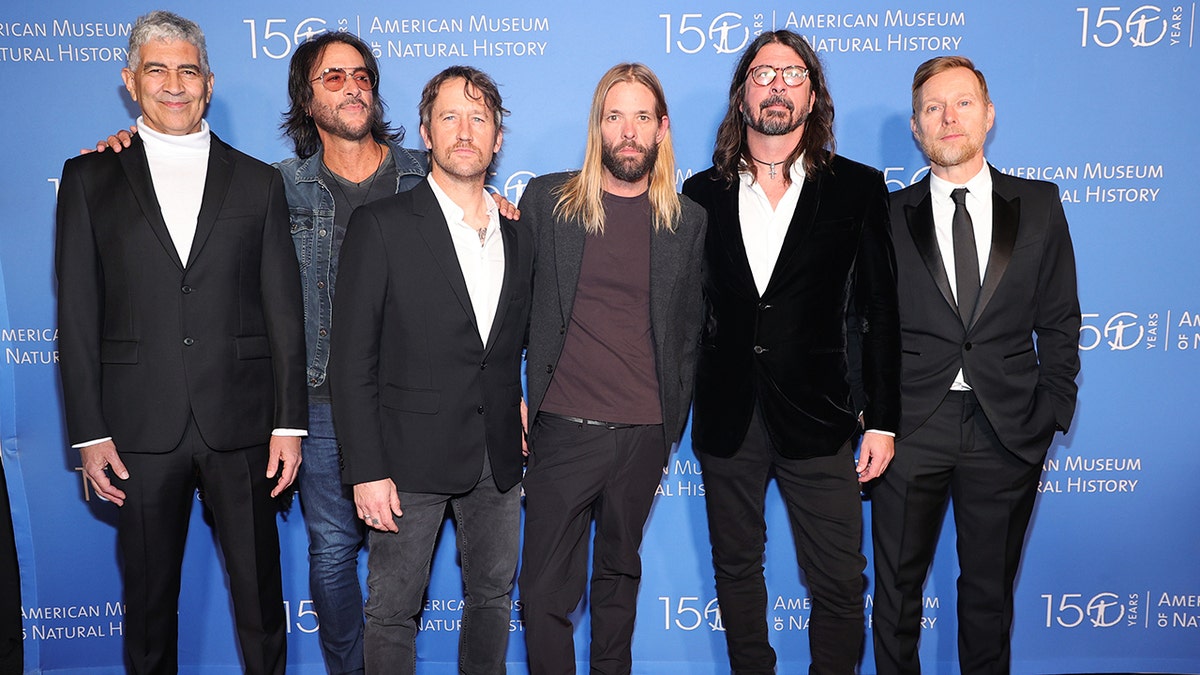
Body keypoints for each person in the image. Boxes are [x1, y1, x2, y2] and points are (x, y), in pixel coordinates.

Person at [55, 10, 306, 674]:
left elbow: (285, 311)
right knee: (147, 608)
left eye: (187, 70)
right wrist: (88, 432)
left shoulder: (259, 181)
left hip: (245, 423)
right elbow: (77, 314)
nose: (174, 84)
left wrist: (288, 423)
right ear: (130, 81)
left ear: (209, 82)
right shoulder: (88, 179)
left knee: (261, 602)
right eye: (157, 70)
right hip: (137, 427)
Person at [682, 30, 900, 674]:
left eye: (793, 73)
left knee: (839, 580)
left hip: (823, 416)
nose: (777, 84)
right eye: (763, 72)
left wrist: (882, 418)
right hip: (727, 414)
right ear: (742, 92)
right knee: (737, 570)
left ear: (813, 95)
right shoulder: (700, 193)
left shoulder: (858, 188)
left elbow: (880, 312)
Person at [870, 55, 1080, 675]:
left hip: (1008, 430)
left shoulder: (1039, 204)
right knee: (896, 598)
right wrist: (872, 413)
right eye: (933, 107)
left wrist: (1050, 411)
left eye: (962, 103)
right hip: (909, 429)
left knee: (989, 601)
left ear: (989, 115)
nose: (948, 117)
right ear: (916, 127)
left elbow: (1061, 317)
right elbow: (862, 325)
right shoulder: (886, 215)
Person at [329, 66, 532, 674]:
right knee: (391, 612)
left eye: (479, 119)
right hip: (405, 460)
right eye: (449, 117)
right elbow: (351, 360)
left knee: (493, 601)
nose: (464, 131)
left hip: (497, 456)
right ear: (426, 132)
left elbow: (508, 346)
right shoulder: (382, 226)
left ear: (498, 139)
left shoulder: (520, 235)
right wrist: (366, 469)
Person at [519, 63, 706, 674]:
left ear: (662, 129)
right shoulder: (548, 201)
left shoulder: (687, 221)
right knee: (544, 594)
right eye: (615, 116)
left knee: (618, 582)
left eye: (642, 118)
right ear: (598, 125)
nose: (629, 132)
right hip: (561, 429)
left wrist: (668, 426)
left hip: (642, 435)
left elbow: (690, 330)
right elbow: (512, 305)